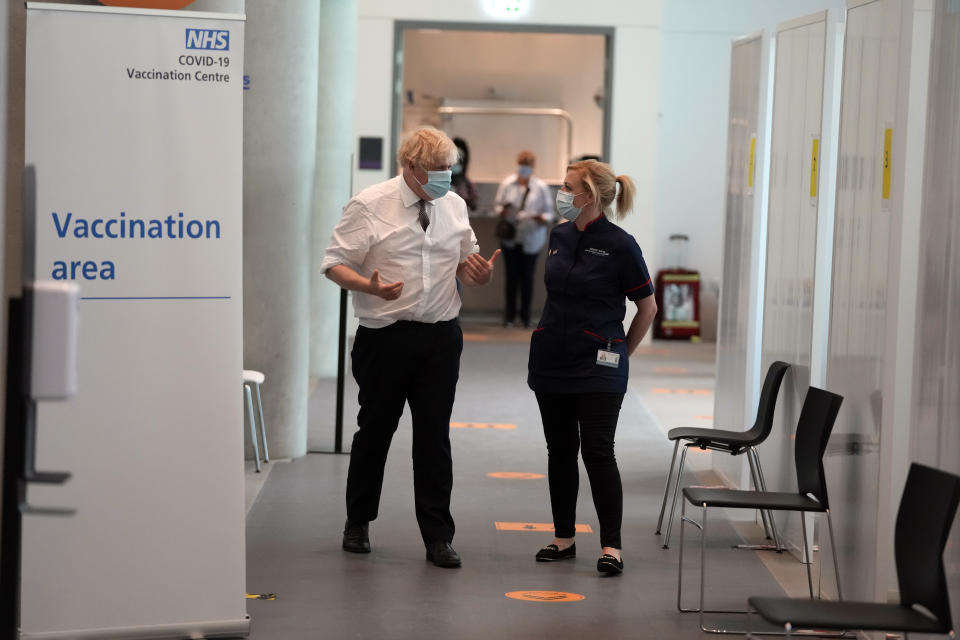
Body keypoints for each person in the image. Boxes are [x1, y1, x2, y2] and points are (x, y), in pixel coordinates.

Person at [321, 126, 501, 568]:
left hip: (440, 337)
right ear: (411, 167)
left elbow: (466, 261)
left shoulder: (454, 205)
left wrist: (478, 275)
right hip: (385, 337)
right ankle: (357, 521)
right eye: (437, 169)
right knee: (376, 432)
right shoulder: (369, 204)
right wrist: (369, 286)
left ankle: (438, 536)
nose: (445, 176)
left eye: (449, 168)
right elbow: (334, 264)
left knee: (434, 438)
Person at [527, 160, 658, 575]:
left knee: (598, 451)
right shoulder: (559, 235)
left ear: (592, 195)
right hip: (552, 359)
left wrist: (622, 355)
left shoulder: (621, 245)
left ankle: (611, 547)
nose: (561, 195)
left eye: (568, 188)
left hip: (599, 364)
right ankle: (563, 538)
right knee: (560, 450)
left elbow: (647, 307)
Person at [494, 150, 554, 328]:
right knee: (511, 276)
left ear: (532, 167)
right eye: (522, 165)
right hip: (510, 237)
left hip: (532, 238)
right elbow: (497, 206)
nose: (524, 169)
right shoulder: (507, 184)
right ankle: (509, 316)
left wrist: (539, 217)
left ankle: (526, 316)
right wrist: (503, 211)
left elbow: (549, 213)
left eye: (527, 166)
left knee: (527, 277)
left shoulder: (541, 187)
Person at [451, 137, 478, 212]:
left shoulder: (468, 184)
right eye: (454, 160)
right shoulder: (442, 182)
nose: (455, 164)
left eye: (459, 161)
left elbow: (474, 205)